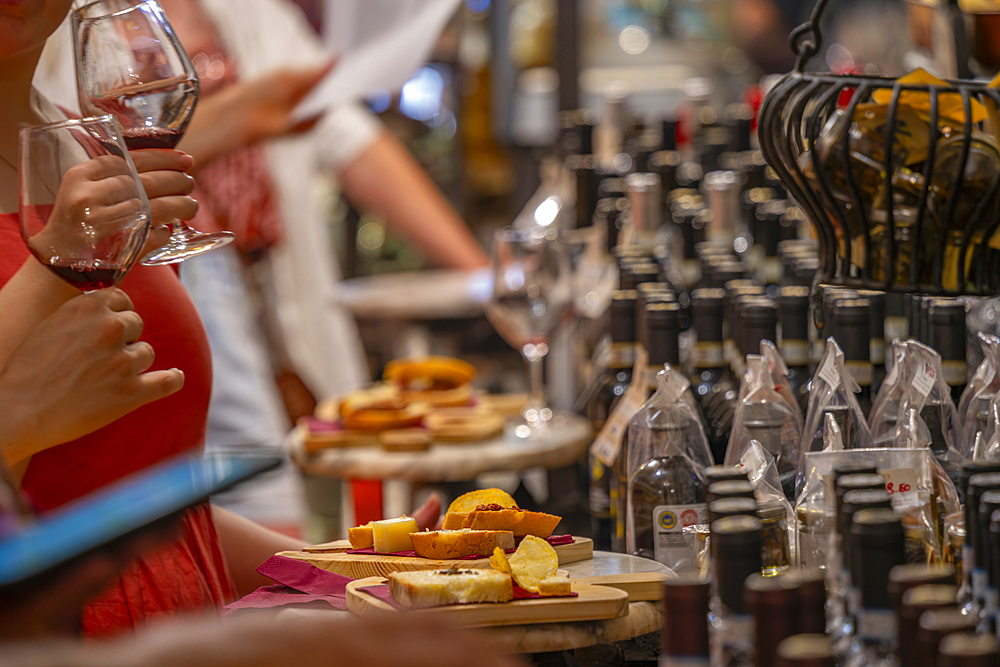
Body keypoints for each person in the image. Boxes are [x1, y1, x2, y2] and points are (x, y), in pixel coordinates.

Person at [38, 0, 490, 527]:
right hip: (153, 277)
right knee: (246, 496)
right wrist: (236, 117)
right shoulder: (52, 20)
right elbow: (84, 162)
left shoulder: (248, 9)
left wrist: (482, 274)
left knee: (253, 497)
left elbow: (342, 133)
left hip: (257, 274)